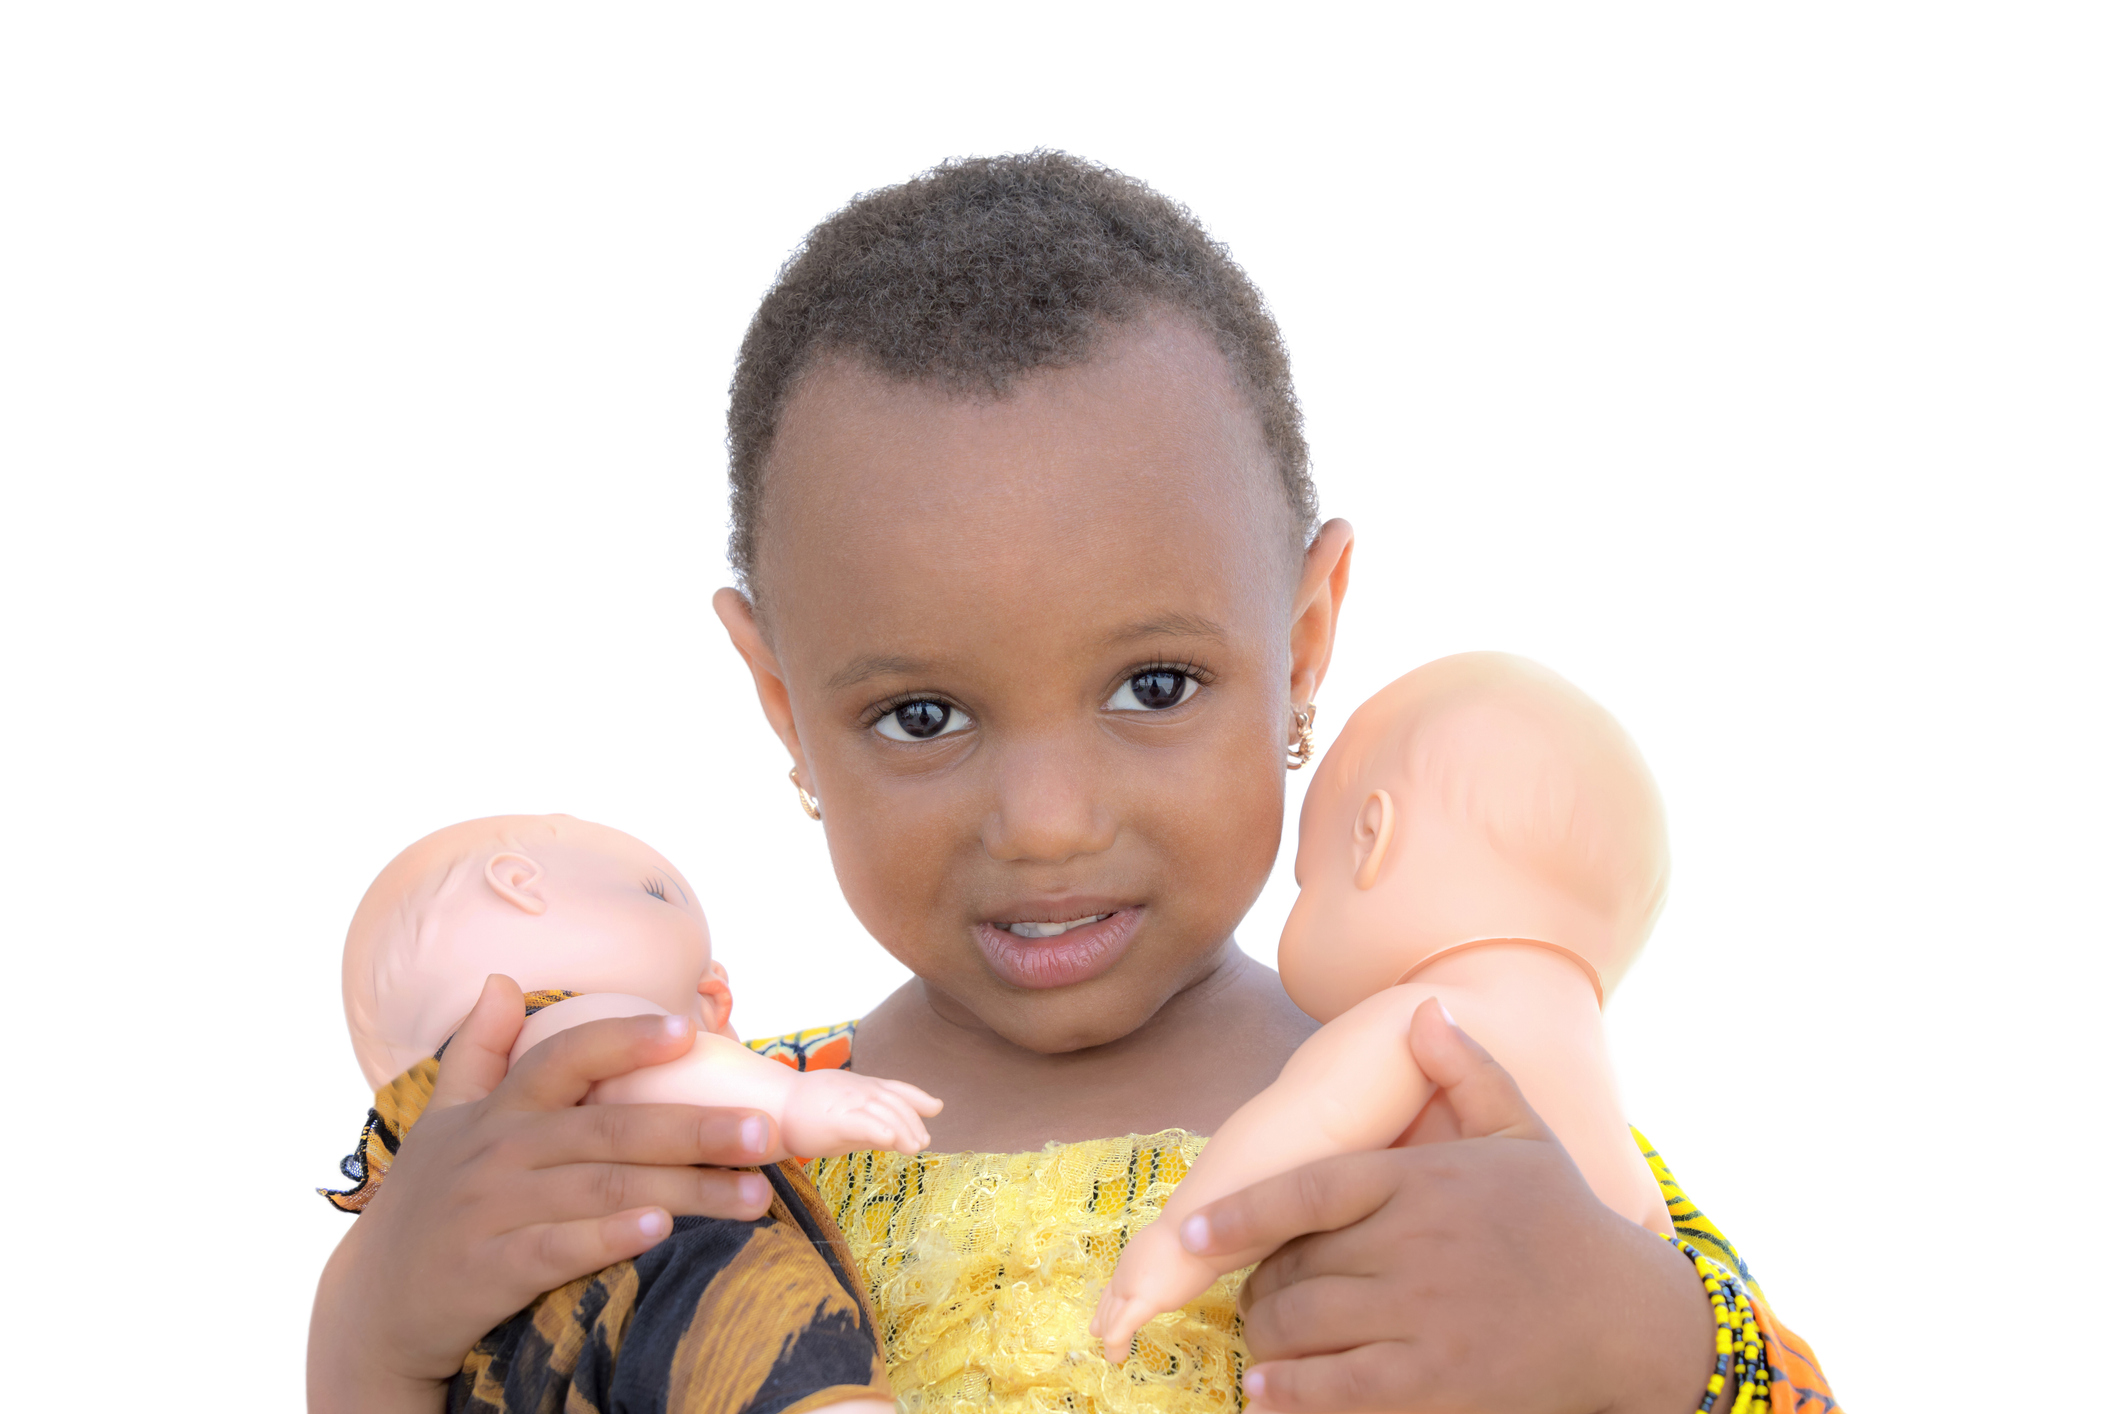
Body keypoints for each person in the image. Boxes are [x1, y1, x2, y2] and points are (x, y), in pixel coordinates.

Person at [310, 152, 1838, 1414]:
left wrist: (1638, 1345)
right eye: (920, 714)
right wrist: (376, 1334)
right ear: (782, 700)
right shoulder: (706, 1152)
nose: (1044, 820)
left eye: (1152, 687)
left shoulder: (1450, 1106)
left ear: (1302, 644)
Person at [1092, 651, 1680, 1361]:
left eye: (1308, 880)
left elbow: (1300, 1127)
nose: (1300, 900)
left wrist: (1177, 1244)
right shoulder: (1620, 1139)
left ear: (1371, 840)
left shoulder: (1427, 1023)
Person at [323, 814, 937, 1413]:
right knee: (769, 1332)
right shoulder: (541, 1020)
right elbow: (635, 1058)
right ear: (519, 884)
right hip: (678, 1299)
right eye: (659, 896)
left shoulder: (428, 1166)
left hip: (541, 1370)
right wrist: (790, 1097)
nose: (716, 976)